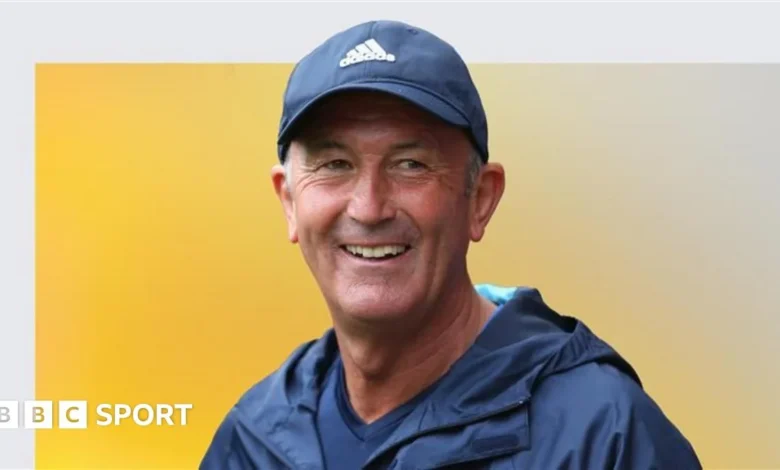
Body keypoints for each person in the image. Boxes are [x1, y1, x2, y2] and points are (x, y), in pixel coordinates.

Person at [200, 20, 701, 470]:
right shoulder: (253, 440)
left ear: (479, 199)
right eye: (335, 165)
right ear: (289, 202)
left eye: (410, 165)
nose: (369, 208)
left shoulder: (602, 436)